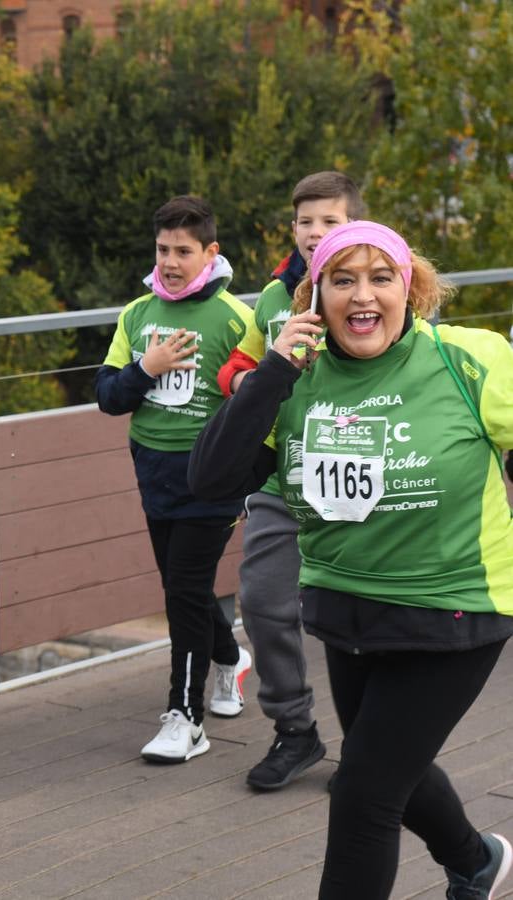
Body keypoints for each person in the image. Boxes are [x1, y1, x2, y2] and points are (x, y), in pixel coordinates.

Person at [189, 221, 513, 899]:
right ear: (316, 299)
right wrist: (271, 370)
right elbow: (212, 480)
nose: (361, 296)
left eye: (380, 278)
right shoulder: (294, 381)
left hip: (453, 611)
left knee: (364, 789)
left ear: (410, 289)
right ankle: (476, 861)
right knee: (393, 762)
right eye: (342, 280)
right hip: (346, 611)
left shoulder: (470, 361)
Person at [214, 171, 364, 790]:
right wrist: (253, 381)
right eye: (305, 221)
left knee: (362, 614)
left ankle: (370, 747)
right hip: (285, 473)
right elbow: (236, 368)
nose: (314, 232)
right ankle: (295, 731)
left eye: (329, 221)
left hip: (365, 469)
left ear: (352, 224)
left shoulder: (377, 286)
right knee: (264, 603)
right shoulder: (276, 296)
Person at [95, 195, 256, 763]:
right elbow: (108, 397)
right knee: (182, 590)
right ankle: (230, 658)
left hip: (210, 479)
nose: (170, 261)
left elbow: (255, 399)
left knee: (183, 592)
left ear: (210, 253)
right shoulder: (137, 315)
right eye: (162, 249)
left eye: (183, 251)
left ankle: (185, 719)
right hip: (154, 474)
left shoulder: (237, 318)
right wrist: (147, 368)